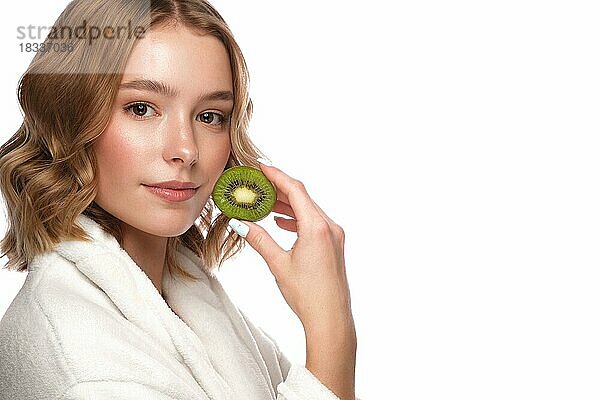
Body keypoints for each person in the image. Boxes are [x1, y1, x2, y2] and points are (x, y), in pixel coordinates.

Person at [0, 1, 360, 399]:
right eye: (141, 108)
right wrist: (331, 328)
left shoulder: (186, 300)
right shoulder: (91, 372)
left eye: (210, 116)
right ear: (70, 117)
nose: (186, 150)